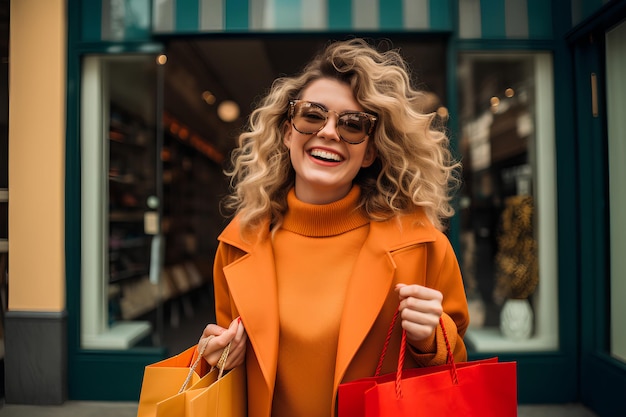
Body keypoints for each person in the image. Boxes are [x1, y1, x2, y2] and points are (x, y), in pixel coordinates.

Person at [198, 38, 469, 417]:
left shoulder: (422, 245)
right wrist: (218, 361)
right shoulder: (239, 243)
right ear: (288, 131)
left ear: (370, 151)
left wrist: (432, 340)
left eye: (353, 124)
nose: (329, 132)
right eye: (312, 115)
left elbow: (454, 371)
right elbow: (234, 378)